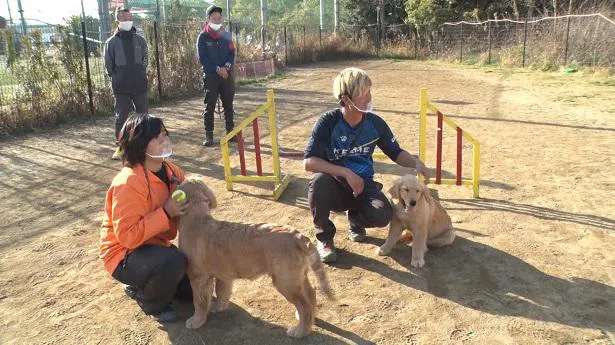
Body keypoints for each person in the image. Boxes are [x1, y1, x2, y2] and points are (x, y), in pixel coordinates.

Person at [303, 67, 431, 263]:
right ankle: (325, 239)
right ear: (346, 99)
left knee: (383, 214)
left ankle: (355, 219)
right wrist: (346, 173)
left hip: (364, 186)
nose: (370, 97)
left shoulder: (375, 123)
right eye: (364, 93)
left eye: (369, 91)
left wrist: (416, 163)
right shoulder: (327, 123)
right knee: (318, 182)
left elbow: (396, 153)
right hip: (335, 185)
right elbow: (309, 162)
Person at [99, 114, 192, 322]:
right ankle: (149, 301)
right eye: (156, 136)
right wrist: (166, 212)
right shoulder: (128, 182)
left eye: (165, 134)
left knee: (193, 284)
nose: (164, 140)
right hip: (124, 254)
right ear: (139, 144)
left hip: (155, 244)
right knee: (172, 262)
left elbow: (189, 194)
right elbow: (127, 237)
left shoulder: (171, 171)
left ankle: (155, 283)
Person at [104, 7, 149, 160]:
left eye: (129, 18)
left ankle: (143, 145)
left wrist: (139, 73)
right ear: (117, 21)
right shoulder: (111, 43)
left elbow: (145, 60)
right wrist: (119, 76)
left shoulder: (140, 40)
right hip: (121, 87)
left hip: (140, 85)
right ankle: (121, 147)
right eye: (123, 19)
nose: (126, 21)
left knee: (142, 116)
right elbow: (109, 66)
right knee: (121, 117)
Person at [197, 5, 237, 146]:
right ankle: (209, 135)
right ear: (208, 19)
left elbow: (232, 52)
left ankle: (231, 132)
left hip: (226, 75)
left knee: (228, 104)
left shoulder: (226, 35)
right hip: (211, 76)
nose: (216, 20)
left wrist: (226, 67)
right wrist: (217, 69)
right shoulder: (203, 37)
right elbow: (202, 58)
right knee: (210, 106)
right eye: (213, 18)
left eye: (219, 18)